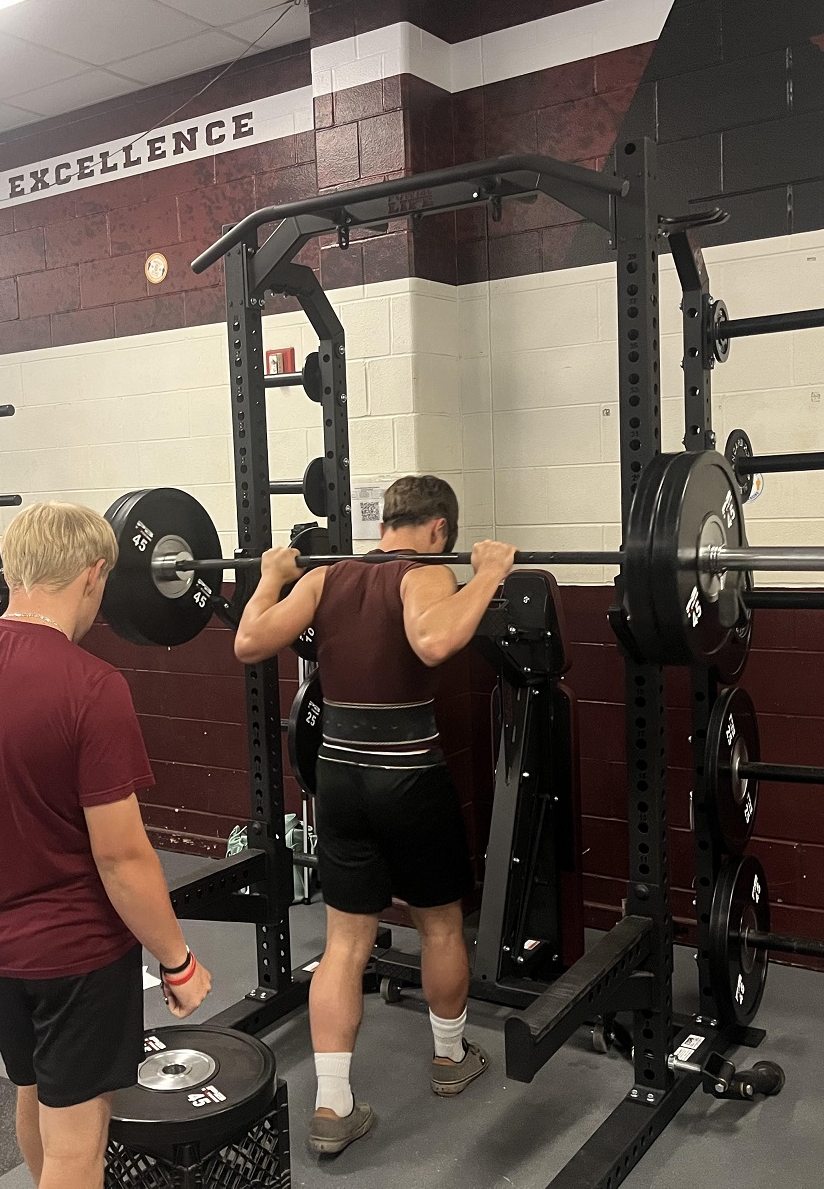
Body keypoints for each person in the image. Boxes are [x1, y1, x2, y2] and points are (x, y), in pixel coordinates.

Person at [0, 502, 212, 1189]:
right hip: (74, 953)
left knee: (34, 1091)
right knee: (78, 1142)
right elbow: (120, 856)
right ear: (94, 573)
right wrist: (176, 958)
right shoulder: (93, 685)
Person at [233, 475, 515, 1156]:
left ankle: (332, 1105)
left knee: (345, 944)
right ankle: (450, 1058)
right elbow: (433, 644)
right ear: (438, 529)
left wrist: (271, 577)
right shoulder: (422, 575)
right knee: (440, 922)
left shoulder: (325, 579)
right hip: (409, 779)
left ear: (383, 522)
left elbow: (248, 642)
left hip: (339, 780)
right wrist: (486, 575)